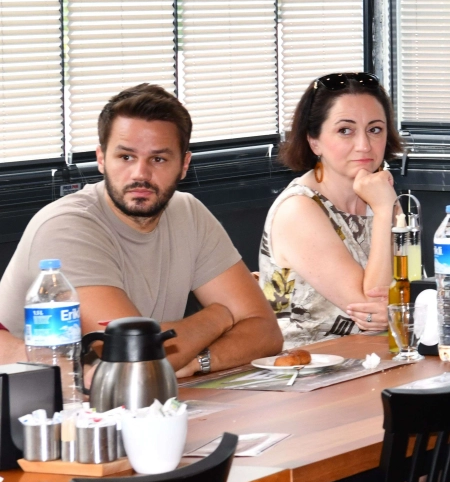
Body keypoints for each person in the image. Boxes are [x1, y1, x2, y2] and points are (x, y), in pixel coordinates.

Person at [0, 85, 281, 377]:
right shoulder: (66, 226)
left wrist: (198, 361)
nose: (140, 174)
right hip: (36, 398)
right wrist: (218, 316)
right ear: (101, 159)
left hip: (133, 395)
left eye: (158, 159)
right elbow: (132, 359)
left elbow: (266, 331)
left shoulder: (188, 212)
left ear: (184, 165)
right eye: (126, 157)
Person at [260, 72, 406, 347]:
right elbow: (371, 311)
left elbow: (407, 297)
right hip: (308, 366)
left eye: (375, 129)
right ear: (314, 141)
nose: (364, 145)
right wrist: (384, 211)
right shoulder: (298, 209)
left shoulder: (380, 195)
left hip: (379, 356)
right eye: (345, 131)